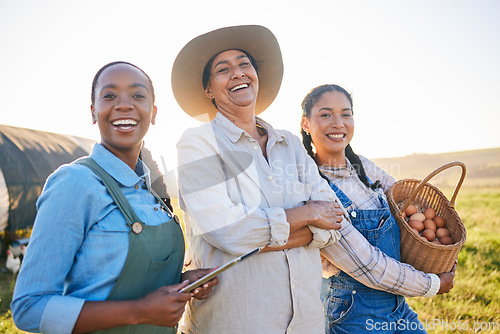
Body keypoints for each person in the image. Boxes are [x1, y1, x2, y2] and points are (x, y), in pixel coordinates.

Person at [11, 61, 217, 334]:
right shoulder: (76, 183)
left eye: (138, 95)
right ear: (94, 111)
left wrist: (180, 283)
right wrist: (140, 311)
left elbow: (113, 277)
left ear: (153, 113)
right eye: (109, 96)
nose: (124, 105)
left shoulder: (153, 191)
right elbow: (28, 308)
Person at [171, 25, 346, 334]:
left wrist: (256, 240)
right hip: (238, 322)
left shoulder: (290, 144)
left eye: (244, 64)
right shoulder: (198, 145)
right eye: (223, 69)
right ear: (209, 90)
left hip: (307, 323)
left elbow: (333, 220)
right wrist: (307, 214)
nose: (238, 73)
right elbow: (228, 232)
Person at [300, 84, 456, 333]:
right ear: (306, 124)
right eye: (326, 114)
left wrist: (438, 243)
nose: (338, 123)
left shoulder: (362, 166)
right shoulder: (315, 188)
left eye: (346, 114)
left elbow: (407, 203)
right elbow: (369, 266)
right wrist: (432, 284)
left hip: (396, 304)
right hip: (355, 310)